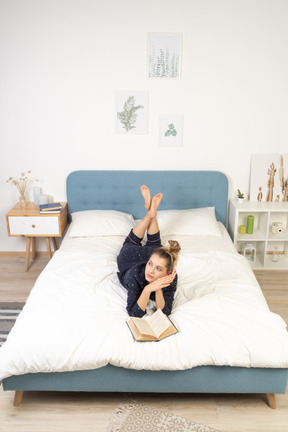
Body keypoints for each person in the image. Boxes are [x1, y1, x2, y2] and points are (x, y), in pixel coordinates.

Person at [117, 185, 181, 318]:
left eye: (158, 269)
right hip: (130, 258)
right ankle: (150, 214)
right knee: (136, 244)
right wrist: (147, 289)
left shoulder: (171, 278)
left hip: (150, 256)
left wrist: (157, 288)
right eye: (151, 265)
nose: (150, 271)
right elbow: (134, 313)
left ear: (168, 273)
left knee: (154, 245)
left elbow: (164, 312)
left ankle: (151, 213)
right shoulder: (135, 274)